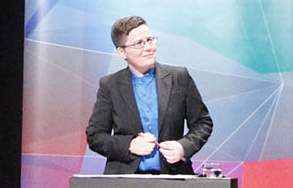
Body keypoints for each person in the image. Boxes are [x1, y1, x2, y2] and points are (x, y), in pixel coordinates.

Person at [85, 16, 213, 175]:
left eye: (150, 40)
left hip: (173, 178)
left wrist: (184, 147)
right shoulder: (110, 85)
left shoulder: (179, 77)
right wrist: (129, 145)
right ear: (122, 52)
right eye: (139, 43)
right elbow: (95, 136)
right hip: (126, 181)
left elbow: (203, 122)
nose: (149, 48)